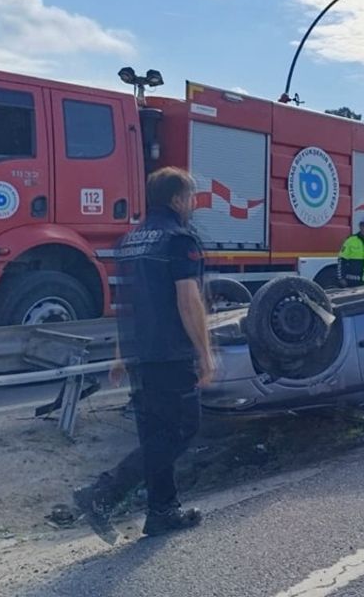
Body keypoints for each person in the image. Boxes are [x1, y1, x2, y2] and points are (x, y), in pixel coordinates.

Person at [73, 167, 213, 540]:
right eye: (192, 195)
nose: (195, 203)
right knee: (183, 428)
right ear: (177, 200)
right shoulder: (180, 239)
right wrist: (205, 353)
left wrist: (121, 352)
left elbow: (130, 302)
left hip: (141, 353)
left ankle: (162, 511)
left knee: (156, 432)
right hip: (170, 351)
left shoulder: (132, 240)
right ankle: (103, 493)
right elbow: (188, 300)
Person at [338, 214, 364, 287]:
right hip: (352, 281)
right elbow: (341, 260)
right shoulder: (350, 240)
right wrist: (341, 278)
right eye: (363, 226)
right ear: (360, 227)